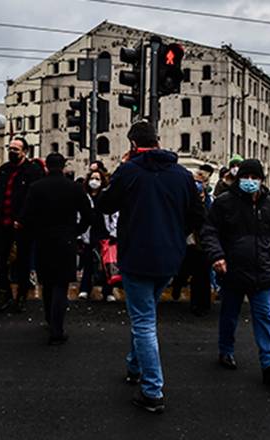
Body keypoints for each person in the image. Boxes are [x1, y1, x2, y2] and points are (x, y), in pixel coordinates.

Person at [97, 121, 205, 414]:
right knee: (145, 312)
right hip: (170, 257)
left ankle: (152, 390)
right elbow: (198, 216)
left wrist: (120, 170)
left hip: (136, 256)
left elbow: (105, 205)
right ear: (158, 142)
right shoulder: (182, 175)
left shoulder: (129, 171)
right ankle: (134, 366)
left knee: (143, 321)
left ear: (133, 145)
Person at [202, 160, 270, 383]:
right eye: (246, 177)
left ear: (261, 180)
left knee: (264, 316)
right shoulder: (224, 203)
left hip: (262, 271)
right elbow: (210, 232)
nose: (250, 182)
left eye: (255, 178)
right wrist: (217, 256)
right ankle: (226, 349)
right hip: (233, 269)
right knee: (229, 313)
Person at [18, 153, 92, 345]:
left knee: (48, 283)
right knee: (61, 285)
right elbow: (87, 215)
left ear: (46, 168)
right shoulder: (74, 188)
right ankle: (56, 329)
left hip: (43, 239)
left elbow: (25, 216)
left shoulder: (36, 188)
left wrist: (35, 230)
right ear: (64, 168)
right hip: (66, 239)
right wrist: (77, 231)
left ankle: (49, 319)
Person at [0, 138, 43, 312]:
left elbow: (34, 200)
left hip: (22, 225)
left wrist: (24, 219)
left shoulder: (32, 172)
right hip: (2, 223)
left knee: (23, 261)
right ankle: (5, 291)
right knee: (0, 260)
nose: (12, 152)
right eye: (10, 149)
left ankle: (22, 294)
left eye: (16, 150)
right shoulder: (3, 170)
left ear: (25, 152)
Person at [170, 171, 212, 315]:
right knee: (184, 269)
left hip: (204, 242)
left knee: (202, 275)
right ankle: (178, 285)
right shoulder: (185, 198)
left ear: (205, 185)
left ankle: (201, 304)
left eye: (199, 181)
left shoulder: (210, 202)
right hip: (187, 240)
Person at [78, 169, 118, 302]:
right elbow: (79, 215)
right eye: (92, 178)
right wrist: (79, 235)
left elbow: (114, 215)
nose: (94, 181)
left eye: (97, 179)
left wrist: (113, 233)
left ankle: (108, 291)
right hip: (90, 232)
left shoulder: (106, 197)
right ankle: (85, 289)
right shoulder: (84, 196)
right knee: (88, 262)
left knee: (107, 263)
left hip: (104, 232)